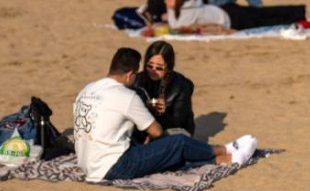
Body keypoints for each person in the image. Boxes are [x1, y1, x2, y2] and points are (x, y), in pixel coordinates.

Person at [72, 47, 257, 183]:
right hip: (114, 166)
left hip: (87, 164)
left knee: (164, 156)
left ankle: (224, 159)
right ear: (129, 75)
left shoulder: (86, 89)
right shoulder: (125, 95)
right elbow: (156, 131)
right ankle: (224, 149)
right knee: (178, 142)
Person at [163, 0, 305, 32]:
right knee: (264, 15)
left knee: (266, 19)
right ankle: (299, 12)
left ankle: (299, 15)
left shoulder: (188, 10)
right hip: (226, 11)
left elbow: (177, 25)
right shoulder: (187, 4)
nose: (166, 1)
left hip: (232, 18)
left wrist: (168, 13)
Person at [133, 41, 195, 137]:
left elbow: (178, 123)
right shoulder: (137, 80)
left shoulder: (182, 85)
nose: (153, 71)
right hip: (145, 129)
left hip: (174, 130)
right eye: (149, 66)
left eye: (159, 68)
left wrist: (163, 113)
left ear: (169, 67)